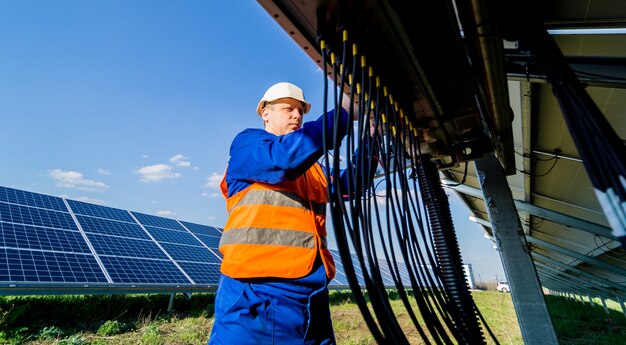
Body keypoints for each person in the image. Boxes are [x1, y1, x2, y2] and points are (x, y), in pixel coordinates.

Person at [208, 82, 373, 345]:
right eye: (288, 109)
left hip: (311, 291)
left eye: (301, 111)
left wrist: (371, 140)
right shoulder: (249, 145)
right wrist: (343, 113)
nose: (297, 115)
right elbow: (282, 160)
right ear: (266, 113)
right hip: (258, 293)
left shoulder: (313, 168)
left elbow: (348, 186)